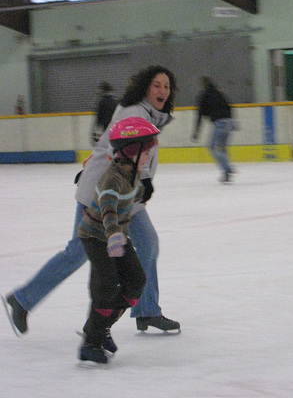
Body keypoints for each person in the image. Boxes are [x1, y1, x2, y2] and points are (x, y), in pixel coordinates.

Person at [5, 65, 180, 336]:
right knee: (78, 252)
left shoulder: (150, 114)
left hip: (125, 194)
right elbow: (119, 147)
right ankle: (23, 299)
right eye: (156, 85)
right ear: (146, 87)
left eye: (166, 86)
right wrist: (143, 178)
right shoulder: (136, 112)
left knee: (147, 243)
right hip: (104, 193)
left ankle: (146, 310)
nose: (162, 90)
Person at [79, 117, 158, 364]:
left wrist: (143, 191)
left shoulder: (130, 172)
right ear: (131, 151)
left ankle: (101, 327)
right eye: (145, 152)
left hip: (116, 237)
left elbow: (128, 195)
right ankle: (90, 343)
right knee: (106, 286)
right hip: (96, 236)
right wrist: (113, 233)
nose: (148, 158)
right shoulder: (113, 177)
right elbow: (109, 207)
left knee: (136, 280)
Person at [191, 76, 236, 182]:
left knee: (212, 147)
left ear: (202, 84)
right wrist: (232, 121)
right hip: (229, 122)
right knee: (222, 147)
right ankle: (227, 170)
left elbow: (200, 115)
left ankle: (227, 169)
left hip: (219, 123)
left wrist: (196, 131)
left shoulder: (203, 95)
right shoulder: (220, 93)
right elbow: (229, 107)